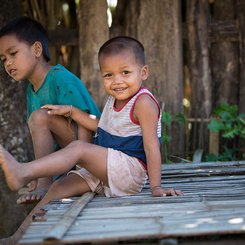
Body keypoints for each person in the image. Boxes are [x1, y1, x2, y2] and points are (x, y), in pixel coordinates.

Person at [0, 36, 183, 205]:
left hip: (129, 171)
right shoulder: (113, 100)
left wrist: (156, 187)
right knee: (58, 187)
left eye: (125, 72)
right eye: (108, 75)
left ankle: (22, 172)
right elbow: (101, 126)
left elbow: (151, 147)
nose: (117, 81)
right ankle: (19, 236)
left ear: (143, 72)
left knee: (79, 148)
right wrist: (71, 111)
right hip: (107, 168)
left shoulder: (143, 102)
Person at [0, 16, 101, 204]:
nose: (8, 63)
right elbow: (48, 140)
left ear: (37, 49)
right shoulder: (31, 90)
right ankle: (42, 179)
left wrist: (81, 171)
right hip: (73, 155)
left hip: (98, 149)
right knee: (38, 119)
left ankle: (44, 183)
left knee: (40, 117)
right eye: (3, 59)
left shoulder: (60, 78)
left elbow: (87, 121)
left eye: (13, 53)